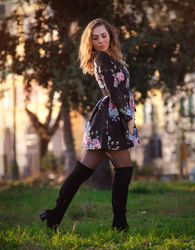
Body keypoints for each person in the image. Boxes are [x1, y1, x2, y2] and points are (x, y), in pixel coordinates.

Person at [39, 18, 140, 232]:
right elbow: (114, 92)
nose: (101, 40)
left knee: (81, 172)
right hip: (111, 121)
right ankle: (119, 225)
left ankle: (54, 215)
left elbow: (121, 91)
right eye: (95, 38)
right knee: (124, 170)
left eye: (104, 36)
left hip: (107, 119)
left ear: (110, 36)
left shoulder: (110, 57)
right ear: (90, 42)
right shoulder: (102, 58)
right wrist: (128, 118)